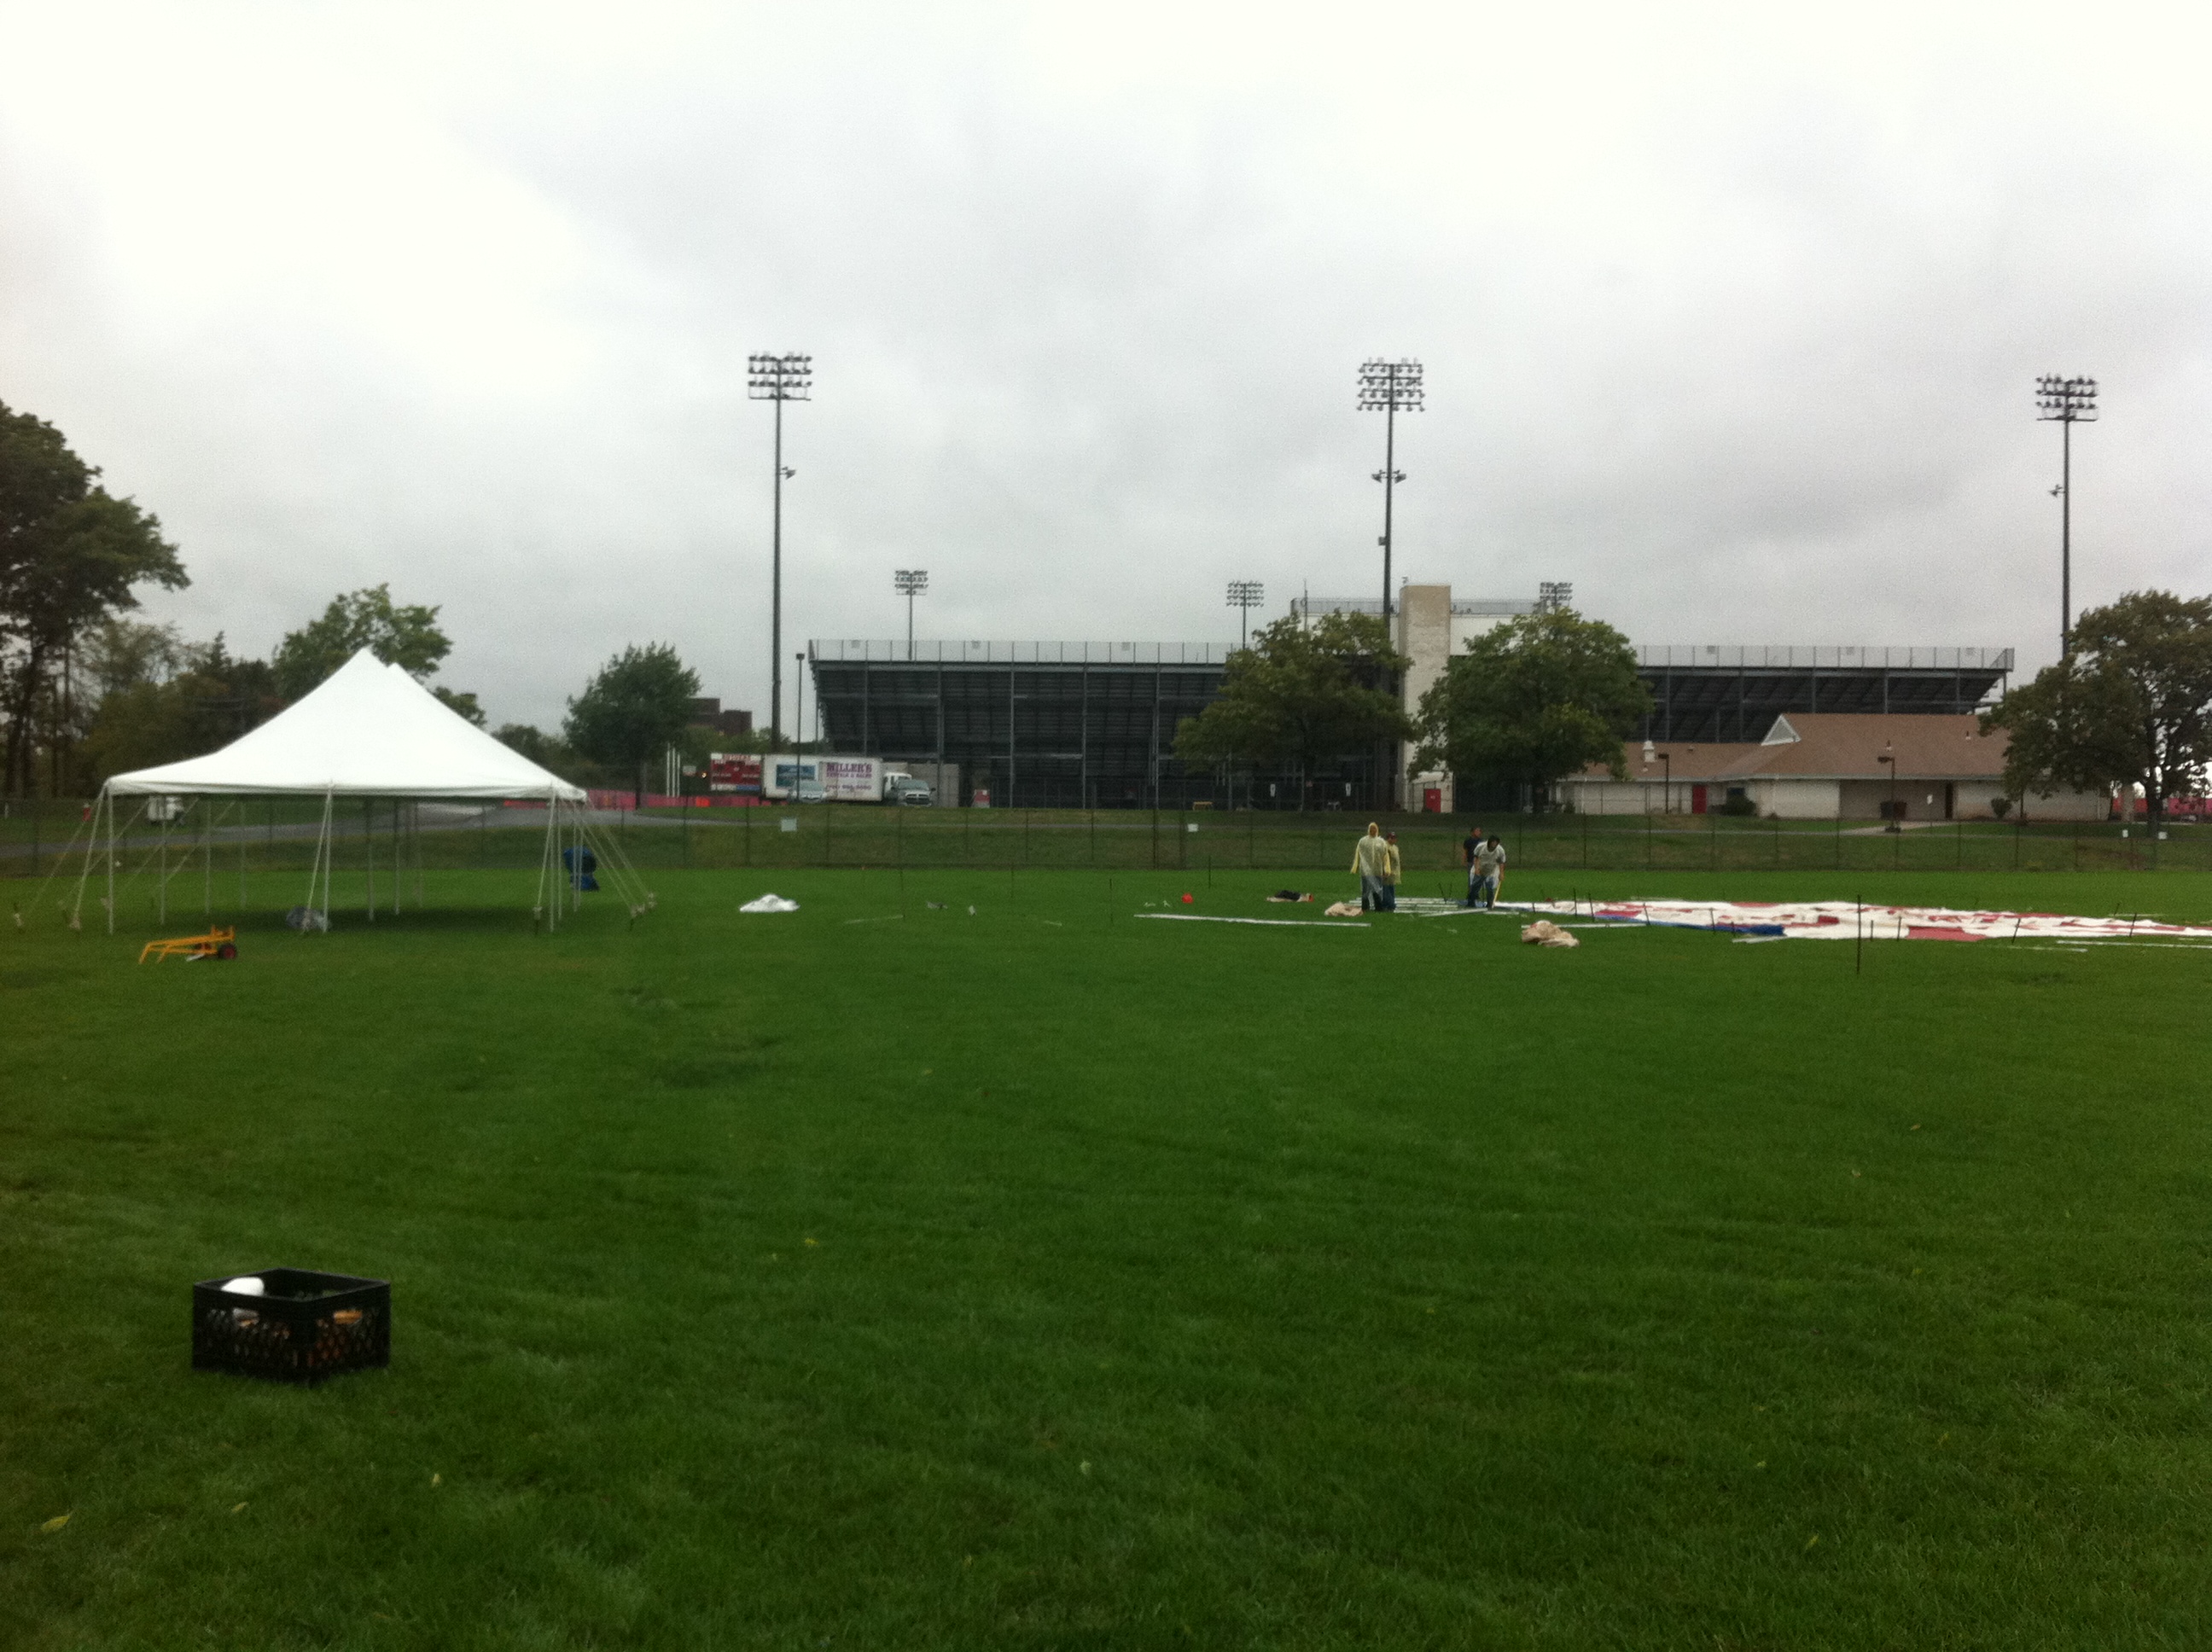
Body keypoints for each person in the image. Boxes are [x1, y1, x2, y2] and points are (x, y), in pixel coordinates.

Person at [1350, 822, 1391, 911]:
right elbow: (1358, 854)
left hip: (1377, 869)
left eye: (1374, 829)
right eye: (1371, 829)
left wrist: (1387, 869)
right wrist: (1355, 866)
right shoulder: (1363, 841)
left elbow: (1385, 857)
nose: (1373, 831)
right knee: (1365, 889)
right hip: (1365, 871)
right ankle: (1365, 907)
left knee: (1377, 889)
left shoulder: (1381, 842)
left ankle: (1378, 907)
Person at [1473, 831, 1507, 907]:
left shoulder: (1500, 850)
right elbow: (1476, 857)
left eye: (1496, 843)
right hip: (1480, 868)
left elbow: (1501, 862)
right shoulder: (1481, 847)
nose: (1494, 844)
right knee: (1475, 886)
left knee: (1490, 888)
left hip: (1491, 870)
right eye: (1493, 842)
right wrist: (1477, 868)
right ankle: (1471, 902)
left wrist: (1501, 873)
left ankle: (1490, 903)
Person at [1461, 823, 1485, 906]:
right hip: (1470, 862)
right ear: (1472, 832)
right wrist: (1464, 860)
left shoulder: (1481, 842)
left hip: (1479, 863)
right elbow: (1465, 851)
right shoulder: (1468, 841)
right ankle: (1470, 894)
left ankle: (1476, 894)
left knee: (1478, 879)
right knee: (1471, 879)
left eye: (1479, 831)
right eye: (1477, 831)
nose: (1479, 832)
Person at [1381, 831, 1402, 912]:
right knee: (1386, 889)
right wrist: (1384, 871)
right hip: (1387, 872)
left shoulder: (1395, 847)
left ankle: (1389, 904)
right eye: (1391, 838)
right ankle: (1389, 904)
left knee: (1391, 889)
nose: (1392, 839)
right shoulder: (1385, 847)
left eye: (1394, 838)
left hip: (1393, 872)